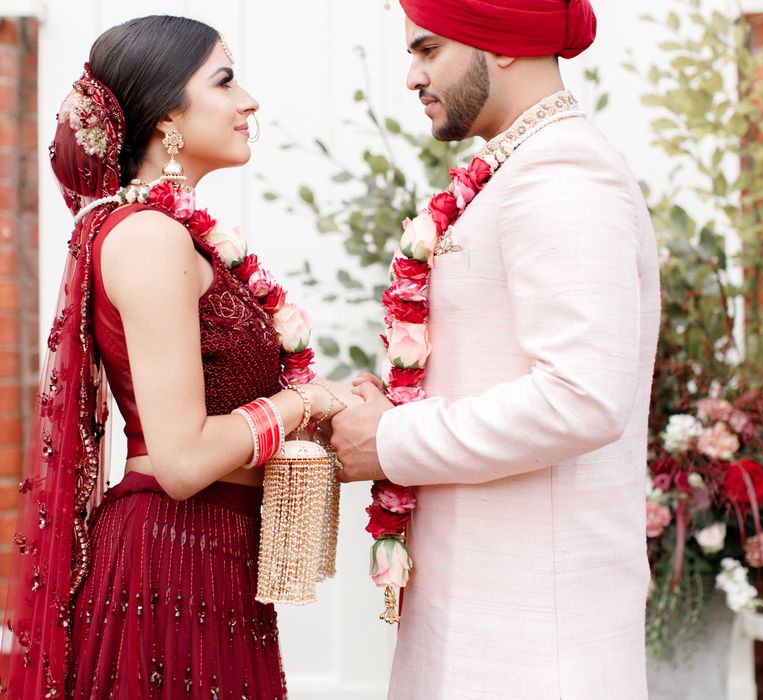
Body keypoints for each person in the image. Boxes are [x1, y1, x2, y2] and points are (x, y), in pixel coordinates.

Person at [0, 15, 352, 699]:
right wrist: (303, 399)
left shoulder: (178, 235)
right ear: (167, 118)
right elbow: (183, 461)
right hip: (169, 566)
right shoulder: (150, 238)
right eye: (225, 80)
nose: (249, 100)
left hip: (211, 561)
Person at [331, 1, 660, 698]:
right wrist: (390, 405)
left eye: (428, 50)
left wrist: (392, 440)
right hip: (481, 620)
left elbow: (582, 398)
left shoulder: (563, 174)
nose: (412, 77)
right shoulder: (516, 166)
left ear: (502, 44)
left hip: (536, 643)